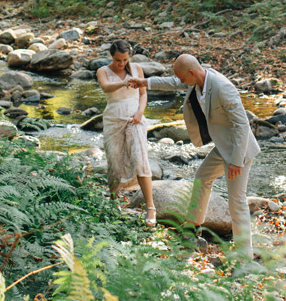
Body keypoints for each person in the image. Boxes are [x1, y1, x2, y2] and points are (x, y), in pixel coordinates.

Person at [129, 54, 260, 258]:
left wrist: (236, 160)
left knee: (237, 201)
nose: (181, 82)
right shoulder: (195, 80)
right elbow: (172, 82)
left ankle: (245, 257)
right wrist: (144, 82)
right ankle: (192, 227)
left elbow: (242, 125)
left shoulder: (223, 87)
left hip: (238, 150)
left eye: (183, 78)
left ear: (191, 72)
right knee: (202, 177)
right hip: (222, 147)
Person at [96, 40, 156, 226]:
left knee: (140, 158)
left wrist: (140, 113)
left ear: (129, 55)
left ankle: (151, 208)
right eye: (117, 60)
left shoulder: (137, 68)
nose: (121, 64)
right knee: (114, 162)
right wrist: (122, 83)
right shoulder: (103, 71)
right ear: (111, 56)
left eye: (124, 60)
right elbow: (106, 87)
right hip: (113, 120)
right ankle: (113, 203)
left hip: (135, 118)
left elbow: (143, 94)